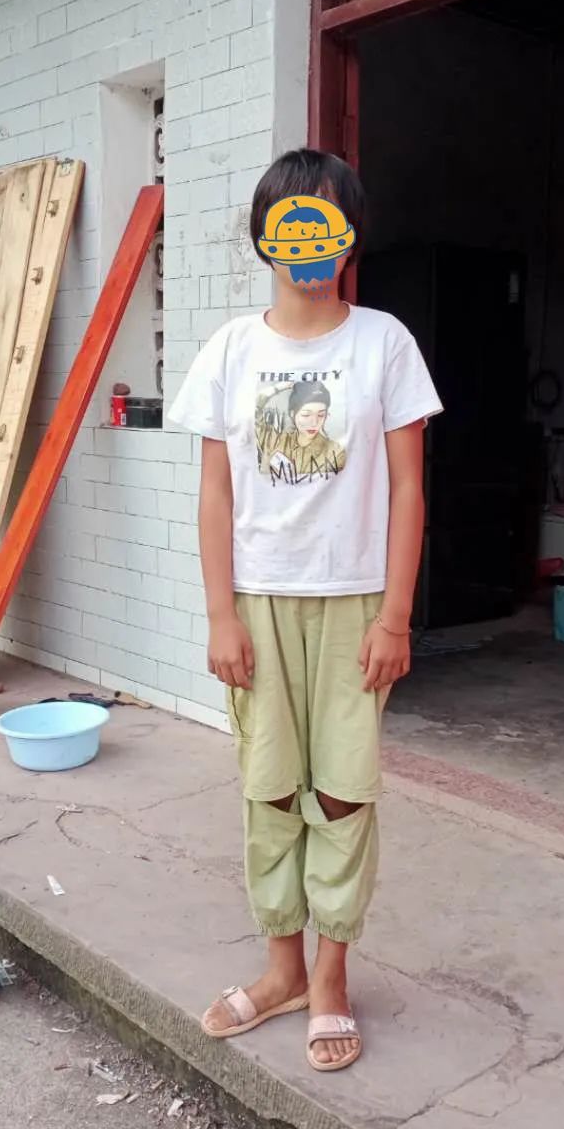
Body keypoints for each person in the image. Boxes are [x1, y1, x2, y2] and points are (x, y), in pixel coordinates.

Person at [168, 149, 442, 1073]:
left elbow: (408, 488)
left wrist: (395, 617)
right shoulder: (230, 351)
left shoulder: (384, 344)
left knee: (343, 793)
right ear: (263, 238)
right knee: (271, 788)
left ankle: (331, 978)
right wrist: (221, 614)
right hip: (259, 602)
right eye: (289, 221)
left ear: (350, 235)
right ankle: (282, 967)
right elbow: (214, 495)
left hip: (356, 603)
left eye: (325, 219)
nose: (307, 240)